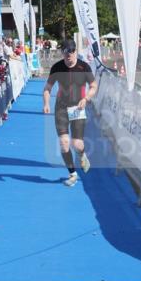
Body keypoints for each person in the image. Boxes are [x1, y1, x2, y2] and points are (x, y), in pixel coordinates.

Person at [43, 40, 97, 187]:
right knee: (64, 143)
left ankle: (82, 154)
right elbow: (47, 88)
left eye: (72, 52)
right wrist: (46, 103)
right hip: (61, 108)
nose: (69, 56)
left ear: (75, 52)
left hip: (78, 108)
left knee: (77, 144)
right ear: (62, 53)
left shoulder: (84, 67)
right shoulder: (57, 67)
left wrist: (86, 98)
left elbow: (93, 86)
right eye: (66, 53)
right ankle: (72, 174)